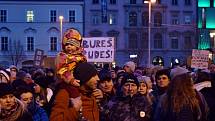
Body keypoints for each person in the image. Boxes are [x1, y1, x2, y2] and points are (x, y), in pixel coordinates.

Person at [55, 28, 87, 98]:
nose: (68, 46)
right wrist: (71, 80)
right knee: (74, 95)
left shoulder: (81, 57)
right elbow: (62, 69)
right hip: (66, 83)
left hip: (79, 82)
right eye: (67, 45)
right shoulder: (62, 56)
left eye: (72, 45)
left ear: (77, 47)